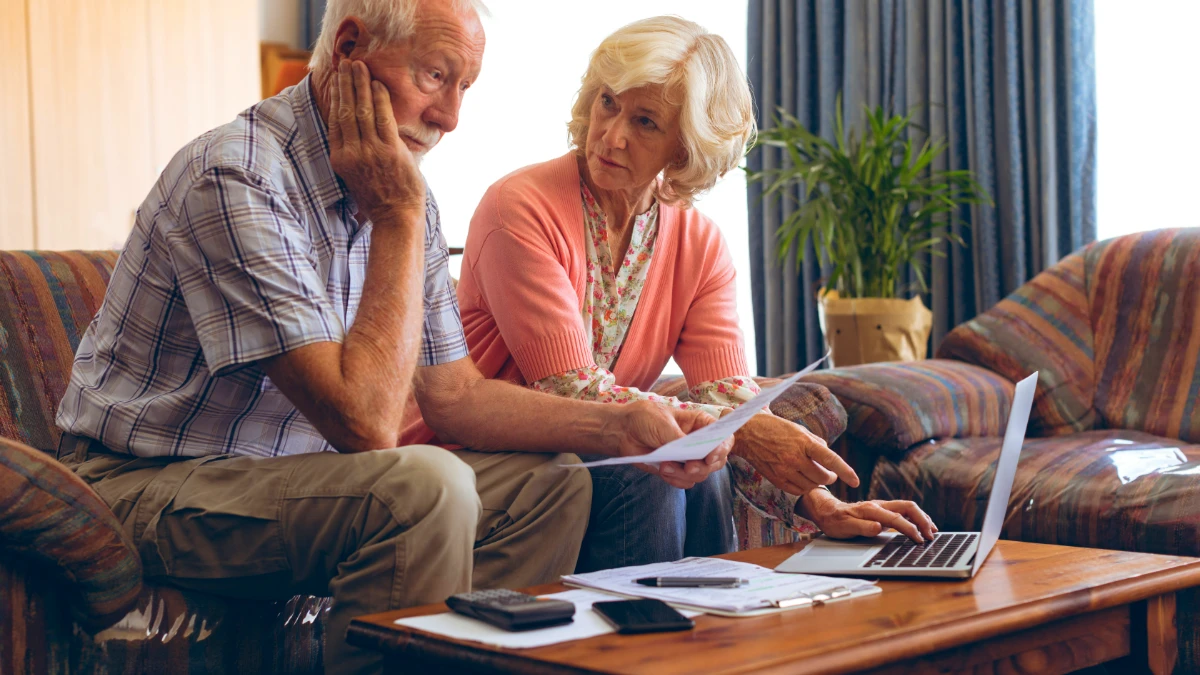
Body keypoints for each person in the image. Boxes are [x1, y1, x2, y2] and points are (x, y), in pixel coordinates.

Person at [52, 3, 733, 673]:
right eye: (437, 77)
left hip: (286, 483)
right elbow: (366, 422)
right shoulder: (238, 176)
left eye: (465, 88)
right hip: (144, 484)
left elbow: (456, 397)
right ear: (349, 47)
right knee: (423, 486)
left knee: (551, 483)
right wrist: (399, 217)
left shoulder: (407, 195)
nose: (451, 117)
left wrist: (621, 430)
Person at [402, 16, 937, 572]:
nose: (611, 135)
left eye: (646, 122)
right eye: (608, 102)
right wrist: (743, 430)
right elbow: (570, 390)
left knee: (702, 472)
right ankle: (644, 649)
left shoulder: (699, 242)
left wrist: (820, 502)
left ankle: (714, 639)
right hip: (476, 452)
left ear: (685, 150)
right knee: (650, 470)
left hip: (591, 450)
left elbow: (728, 396)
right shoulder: (520, 208)